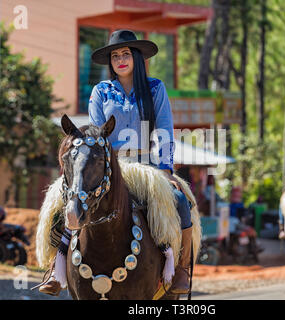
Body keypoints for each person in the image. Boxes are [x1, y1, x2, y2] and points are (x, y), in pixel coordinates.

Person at [38, 30, 193, 296]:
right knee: (59, 201)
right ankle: (56, 266)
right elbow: (95, 135)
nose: (120, 60)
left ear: (136, 57)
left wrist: (166, 169)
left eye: (125, 54)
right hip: (108, 165)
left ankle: (180, 269)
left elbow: (165, 130)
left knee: (179, 201)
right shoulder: (101, 91)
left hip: (147, 167)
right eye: (115, 56)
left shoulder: (155, 88)